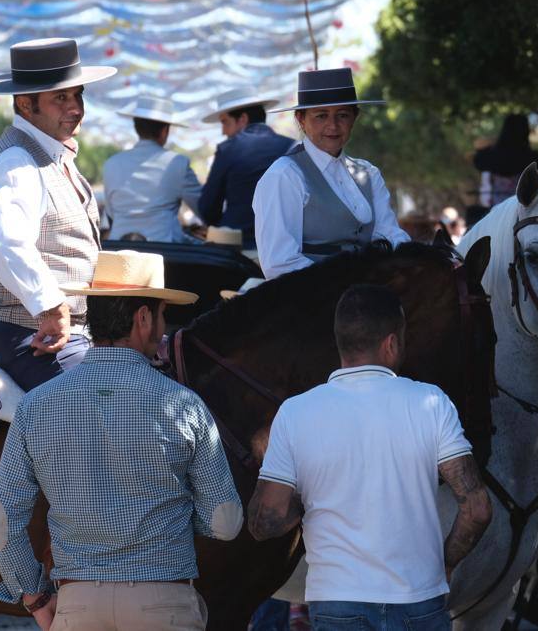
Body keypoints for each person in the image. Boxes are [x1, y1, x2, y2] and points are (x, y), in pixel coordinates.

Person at [0, 250, 242, 630]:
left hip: (78, 604)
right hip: (164, 602)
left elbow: (0, 525)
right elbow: (225, 522)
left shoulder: (35, 406)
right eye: (161, 315)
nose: (163, 326)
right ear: (143, 318)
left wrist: (35, 596)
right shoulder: (184, 404)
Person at [247, 285, 492, 630]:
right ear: (392, 342)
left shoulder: (295, 412)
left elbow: (264, 522)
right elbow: (478, 508)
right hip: (419, 600)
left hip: (337, 602)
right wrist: (445, 563)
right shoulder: (432, 403)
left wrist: (314, 497)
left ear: (341, 343)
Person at [0, 38, 115, 391]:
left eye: (78, 95)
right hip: (22, 329)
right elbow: (8, 242)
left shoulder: (54, 156)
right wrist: (51, 307)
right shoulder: (17, 162)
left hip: (53, 327)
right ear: (25, 103)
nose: (76, 107)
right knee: (101, 399)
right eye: (61, 98)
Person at [253, 68, 409, 280]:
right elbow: (279, 262)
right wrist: (341, 283)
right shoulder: (285, 176)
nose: (333, 126)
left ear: (355, 117)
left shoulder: (369, 174)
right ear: (301, 119)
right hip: (312, 298)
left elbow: (389, 233)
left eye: (342, 115)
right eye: (321, 116)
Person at [198, 87, 293, 248]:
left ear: (242, 119)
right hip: (283, 246)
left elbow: (208, 207)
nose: (223, 131)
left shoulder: (228, 149)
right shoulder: (291, 146)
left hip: (239, 247)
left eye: (224, 122)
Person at [102, 97, 202, 243]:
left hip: (120, 247)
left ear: (136, 127)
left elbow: (111, 214)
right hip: (166, 252)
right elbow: (202, 208)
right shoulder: (178, 163)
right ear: (165, 131)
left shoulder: (111, 164)